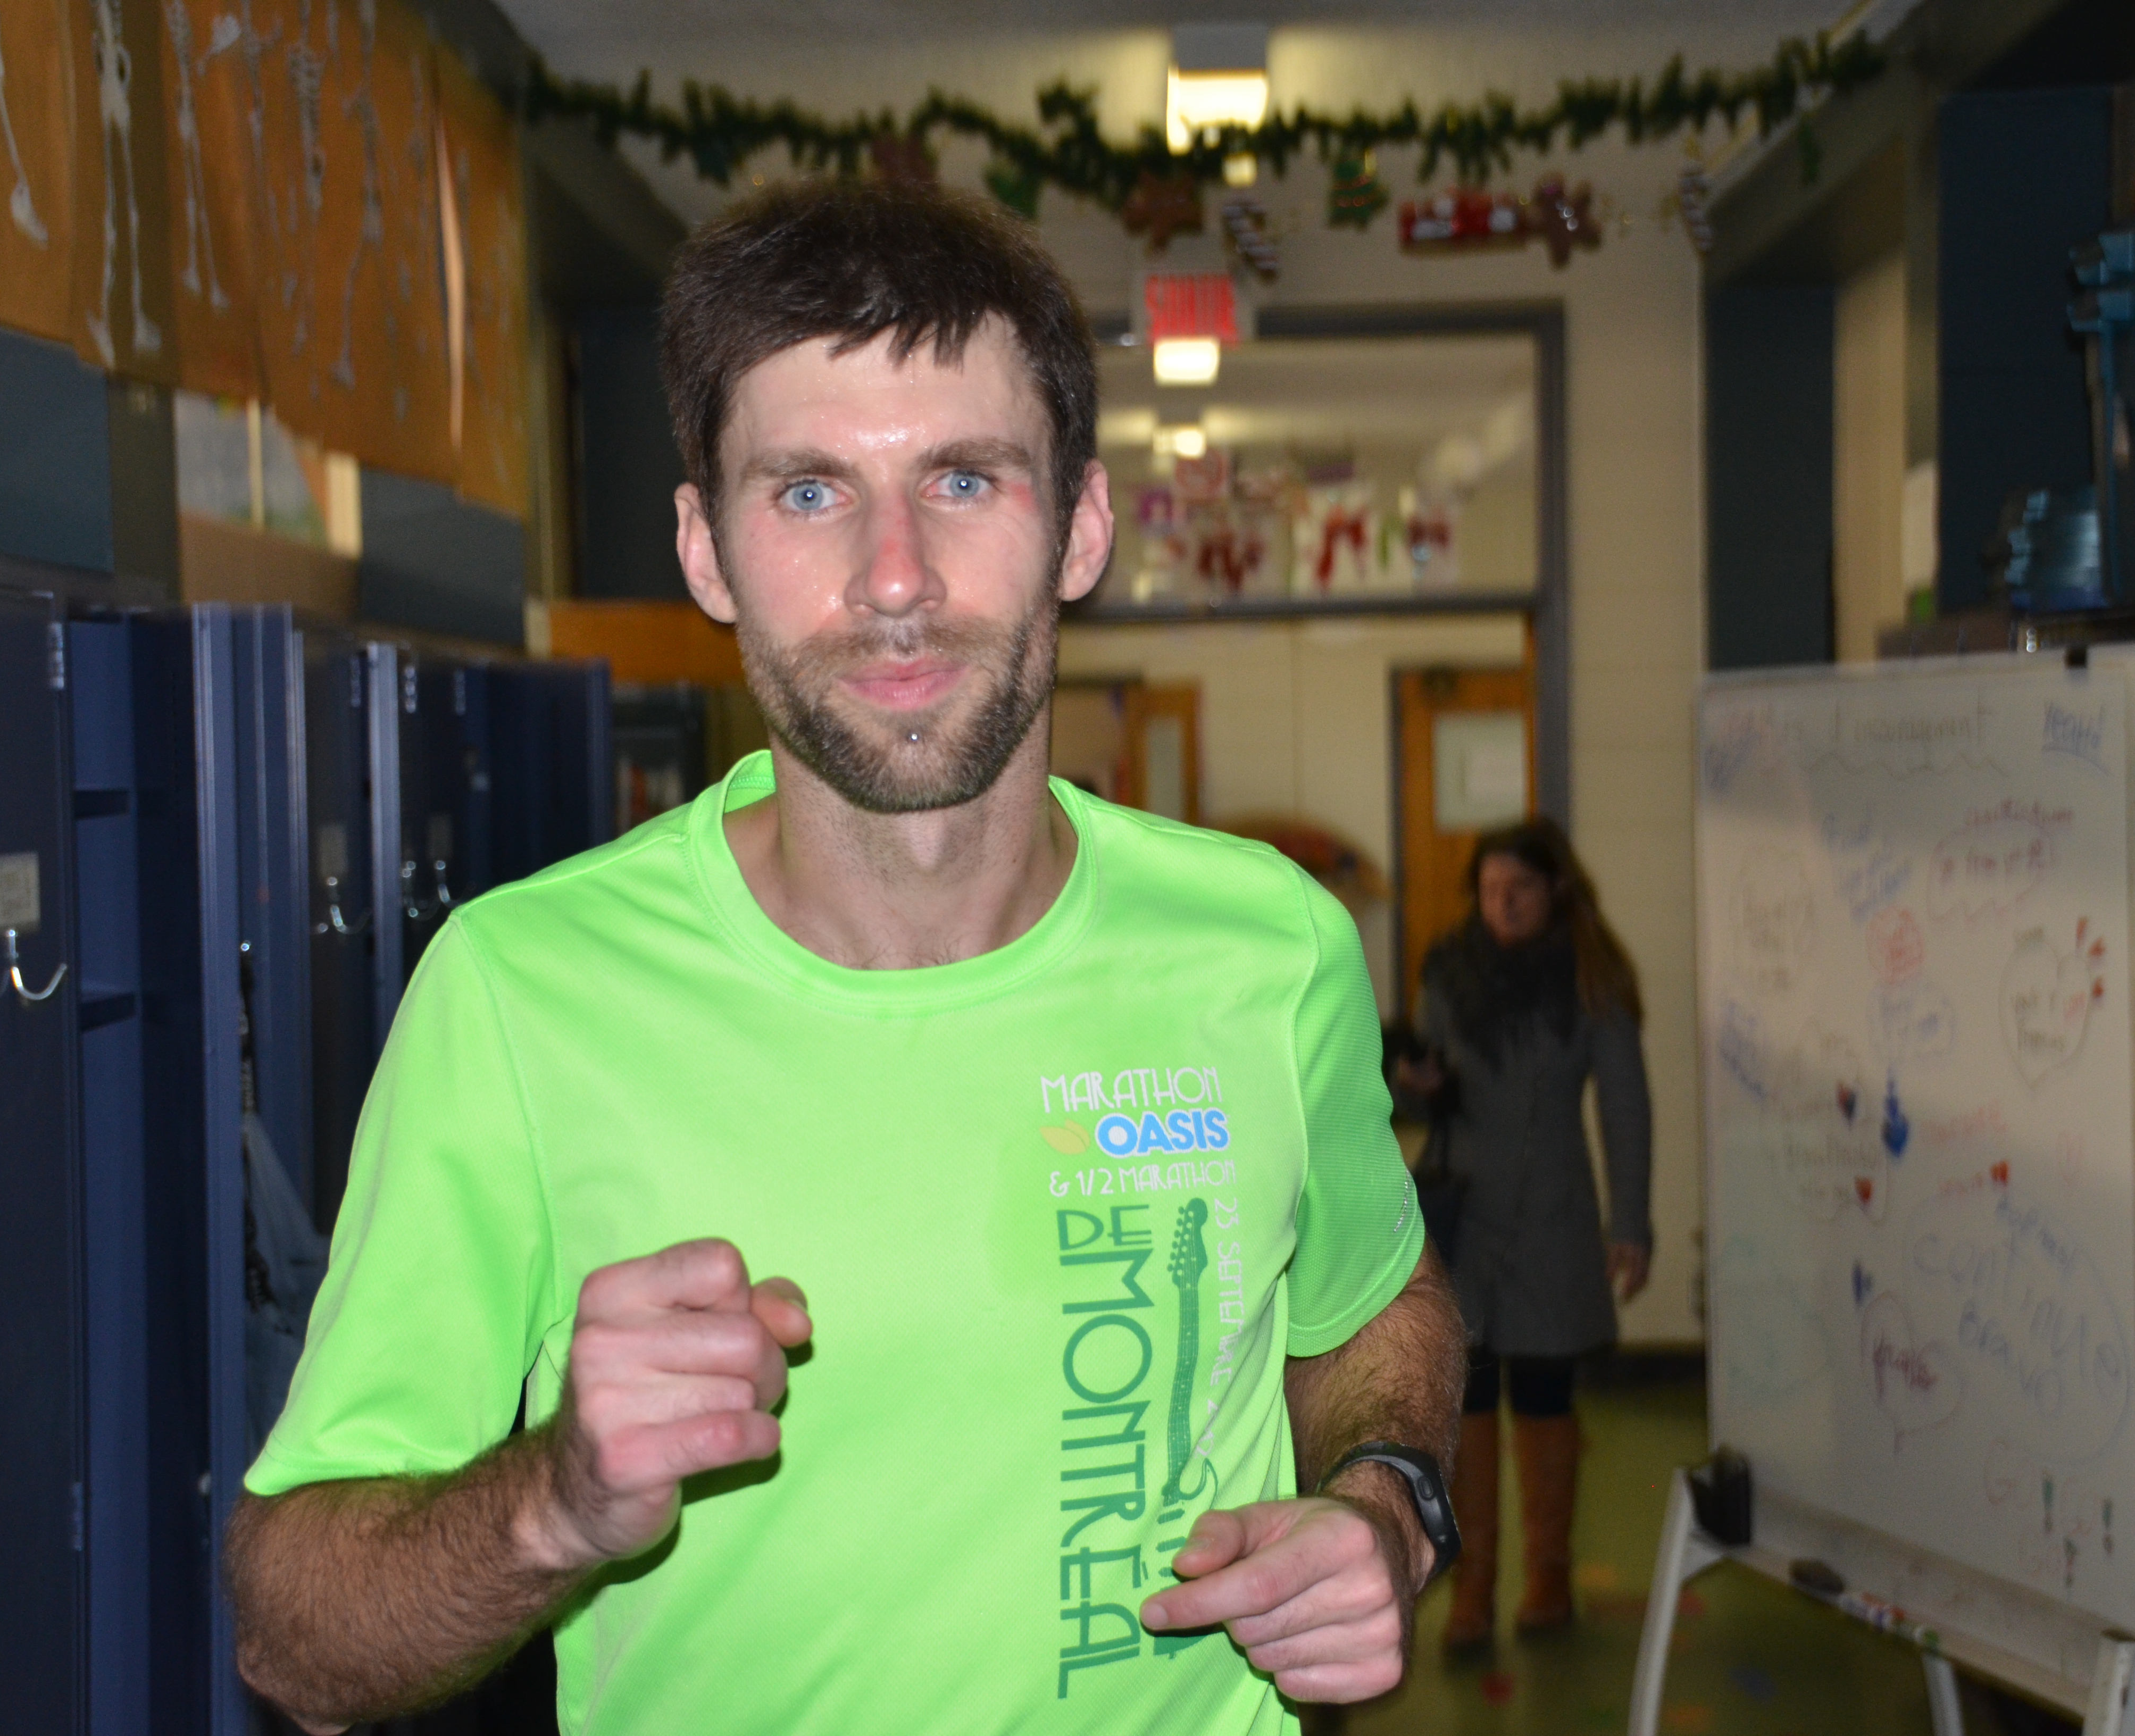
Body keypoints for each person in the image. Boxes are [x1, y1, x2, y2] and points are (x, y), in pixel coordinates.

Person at [222, 177, 1464, 1736]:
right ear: (707, 549)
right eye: (809, 492)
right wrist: (554, 1499)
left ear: (1081, 521)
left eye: (962, 480)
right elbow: (295, 1642)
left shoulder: (1268, 947)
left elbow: (1367, 1292)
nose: (893, 579)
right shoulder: (523, 997)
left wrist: (1386, 1500)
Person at [1392, 817, 1651, 1651]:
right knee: (1464, 1404)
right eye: (1490, 888)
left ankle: (1547, 1576)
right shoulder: (1449, 967)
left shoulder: (1591, 978)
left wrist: (1633, 1221)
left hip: (1552, 1219)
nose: (1502, 904)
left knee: (1544, 1397)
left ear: (1557, 892)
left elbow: (1624, 1105)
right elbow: (1414, 1094)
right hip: (1464, 1217)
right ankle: (1473, 1589)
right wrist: (1416, 1081)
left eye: (1522, 889)